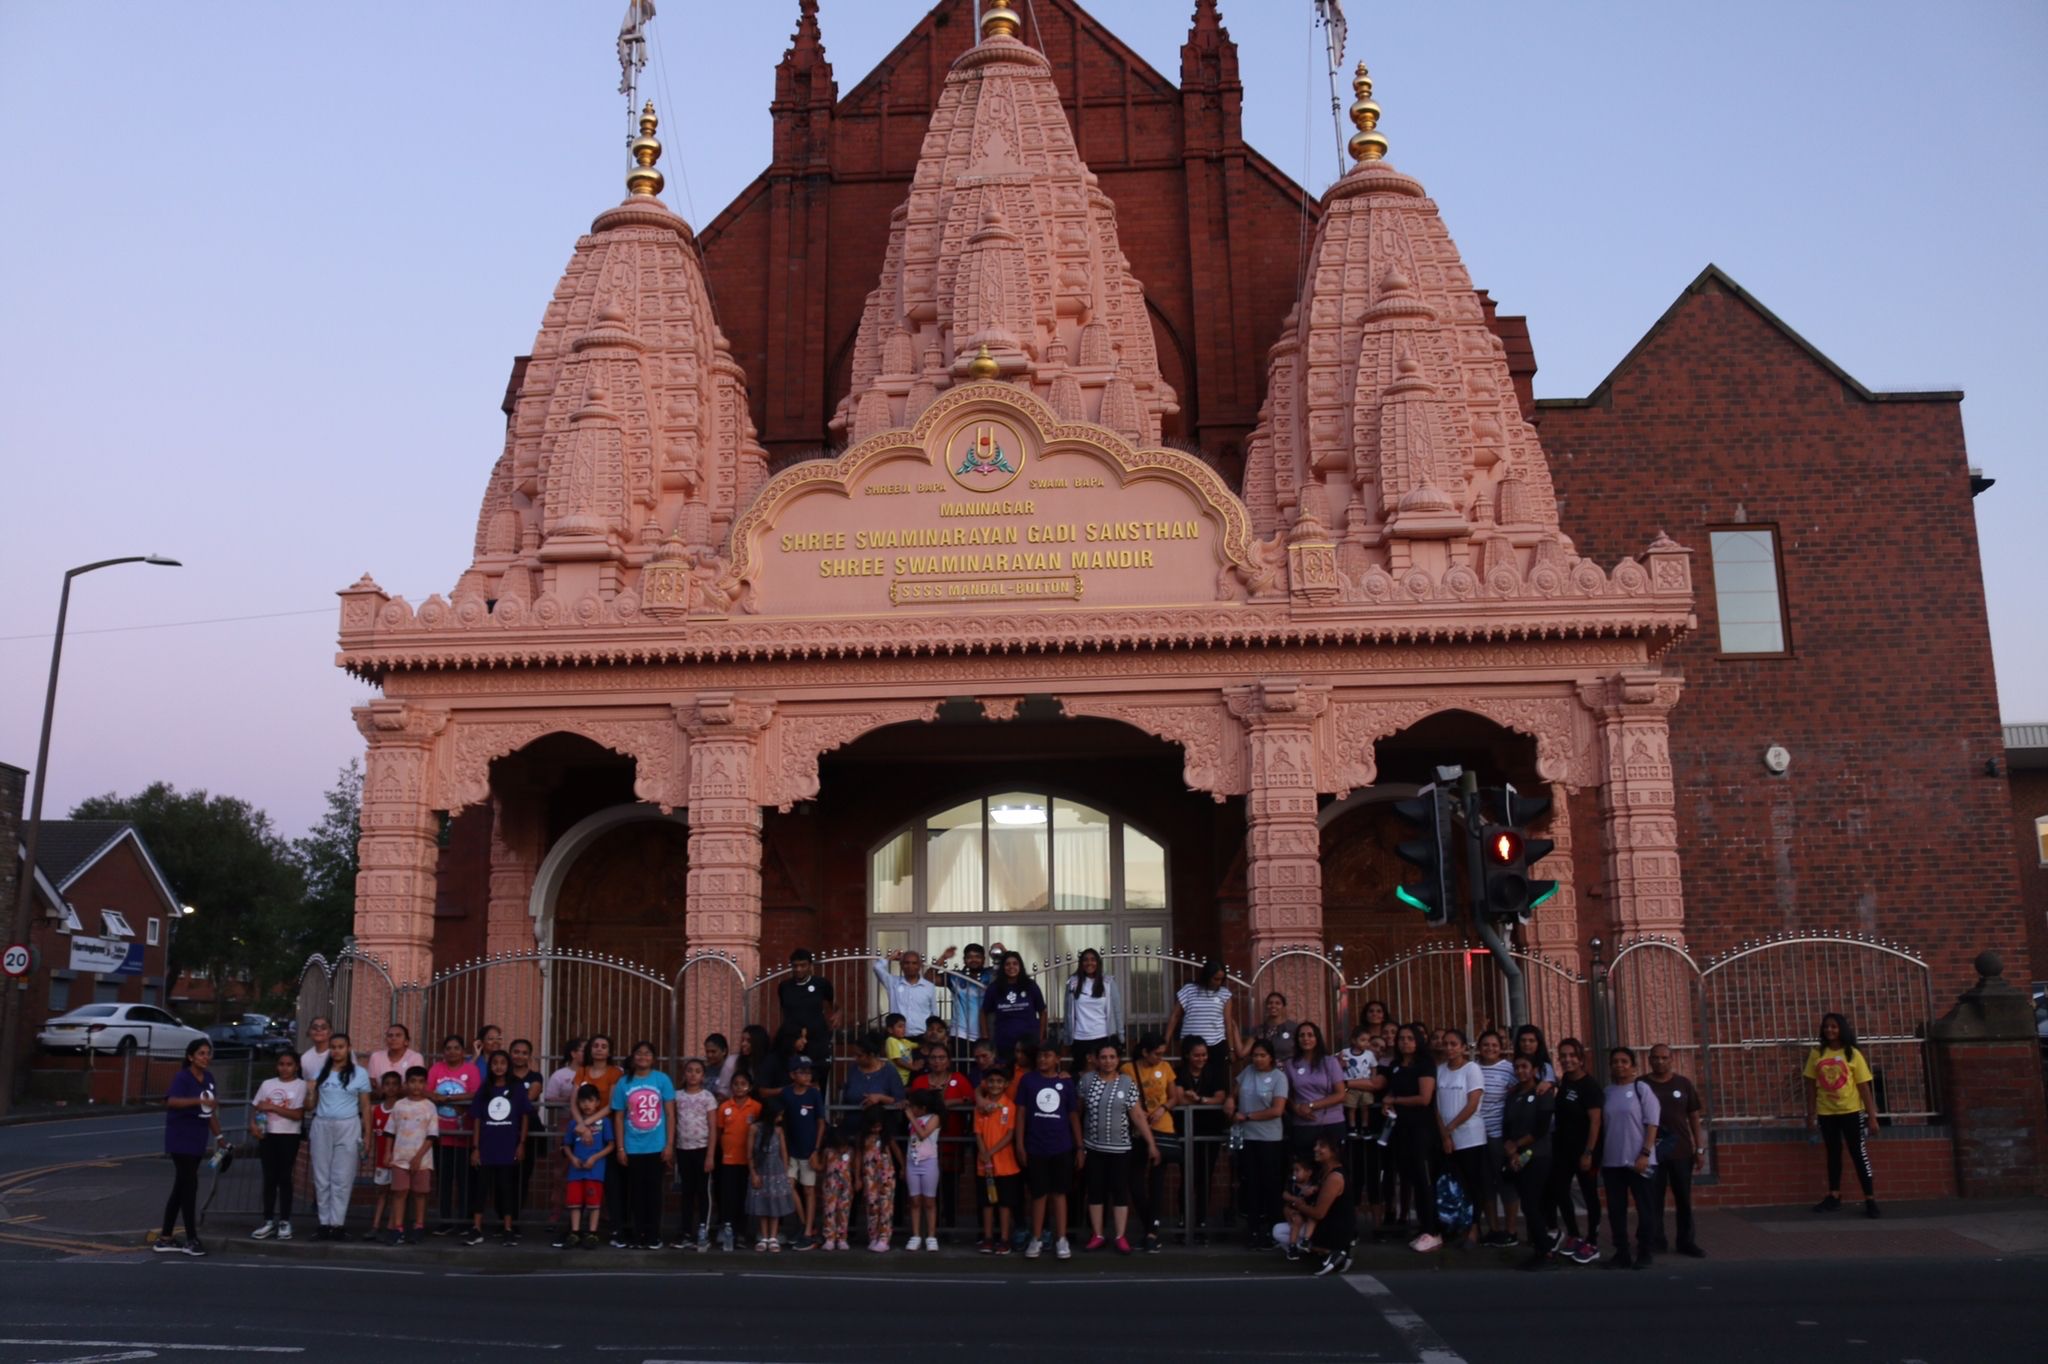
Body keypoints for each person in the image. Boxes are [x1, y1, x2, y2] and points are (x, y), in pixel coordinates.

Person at [1077, 1040, 1159, 1254]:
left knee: (1120, 1192)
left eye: (1112, 1057)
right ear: (1096, 1059)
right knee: (1095, 1192)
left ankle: (1120, 1236)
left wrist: (1151, 1143)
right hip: (1093, 1147)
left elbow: (1138, 1115)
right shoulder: (1086, 1081)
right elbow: (1077, 1112)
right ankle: (1098, 1234)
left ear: (1118, 1059)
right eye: (1103, 1057)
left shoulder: (1126, 1082)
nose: (1108, 1061)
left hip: (1121, 1149)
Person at [1805, 1011, 1881, 1218]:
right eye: (1826, 1027)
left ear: (1842, 1029)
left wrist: (1872, 1116)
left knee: (1858, 1153)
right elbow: (1811, 1086)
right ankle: (1834, 1195)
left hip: (1851, 1111)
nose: (1829, 1030)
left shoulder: (1853, 1054)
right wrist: (1811, 1114)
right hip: (1826, 1112)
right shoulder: (1816, 1053)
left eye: (1834, 1027)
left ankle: (1870, 1199)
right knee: (1833, 1153)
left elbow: (1864, 1087)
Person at [1014, 1041, 1079, 1259]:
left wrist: (1079, 1146)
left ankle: (1061, 1238)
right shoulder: (1028, 1080)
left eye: (1048, 1056)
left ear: (1057, 1059)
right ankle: (1037, 1237)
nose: (1043, 1060)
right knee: (1038, 1195)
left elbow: (1072, 1115)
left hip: (1061, 1146)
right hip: (1035, 1146)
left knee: (1060, 1194)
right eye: (1040, 1056)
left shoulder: (1066, 1083)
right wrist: (1020, 1144)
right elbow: (1021, 1113)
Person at [306, 1031, 373, 1241]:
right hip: (322, 1124)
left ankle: (338, 1224)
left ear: (348, 1048)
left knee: (342, 1177)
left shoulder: (359, 1074)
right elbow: (310, 1105)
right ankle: (324, 1223)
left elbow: (365, 1106)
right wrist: (310, 1091)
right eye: (333, 1047)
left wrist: (368, 1135)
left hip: (348, 1125)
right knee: (321, 1175)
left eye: (340, 1047)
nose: (336, 1051)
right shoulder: (321, 1073)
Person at [465, 1049, 536, 1246]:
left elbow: (524, 1117)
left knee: (506, 1189)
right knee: (481, 1189)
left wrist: (521, 1144)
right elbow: (477, 1119)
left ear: (508, 1065)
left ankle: (508, 1229)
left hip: (508, 1147)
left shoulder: (518, 1088)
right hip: (487, 1147)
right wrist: (476, 1147)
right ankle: (476, 1228)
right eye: (495, 1062)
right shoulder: (484, 1088)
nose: (498, 1066)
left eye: (502, 1062)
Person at [1382, 1023, 1442, 1251]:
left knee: (1425, 1179)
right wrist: (1388, 1101)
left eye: (1410, 1038)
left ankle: (1433, 1230)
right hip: (1401, 1128)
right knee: (1413, 1179)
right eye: (1401, 1038)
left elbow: (1424, 1098)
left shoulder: (1425, 1065)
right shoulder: (1396, 1065)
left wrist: (1395, 1101)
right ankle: (1423, 1226)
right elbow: (1392, 1091)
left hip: (1421, 1129)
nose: (1405, 1042)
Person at [158, 1038, 221, 1256]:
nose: (206, 1057)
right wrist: (196, 1101)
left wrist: (220, 1137)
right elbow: (172, 1101)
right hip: (180, 1137)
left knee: (180, 1187)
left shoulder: (209, 1078)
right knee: (189, 1186)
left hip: (198, 1137)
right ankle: (191, 1238)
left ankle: (165, 1237)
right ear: (190, 1057)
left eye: (208, 1053)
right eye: (201, 1053)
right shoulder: (182, 1077)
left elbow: (209, 1111)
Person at [1599, 1046, 1661, 1269]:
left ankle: (1645, 1251)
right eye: (1615, 1061)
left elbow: (1652, 1123)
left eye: (1624, 1061)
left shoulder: (1641, 1089)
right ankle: (1622, 1252)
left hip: (1639, 1160)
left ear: (1633, 1066)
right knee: (1616, 1209)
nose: (1619, 1065)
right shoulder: (1606, 1093)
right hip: (1613, 1161)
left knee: (1645, 1208)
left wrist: (1645, 1153)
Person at [610, 1040, 675, 1248]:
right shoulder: (624, 1083)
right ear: (633, 1057)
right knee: (635, 1193)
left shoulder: (662, 1079)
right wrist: (620, 1147)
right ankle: (638, 1235)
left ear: (654, 1058)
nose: (643, 1057)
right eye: (639, 1053)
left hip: (656, 1146)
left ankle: (654, 1235)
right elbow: (618, 1117)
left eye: (647, 1053)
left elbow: (670, 1114)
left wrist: (669, 1145)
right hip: (633, 1146)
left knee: (654, 1193)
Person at [1227, 1037, 1290, 1249]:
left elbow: (1277, 1110)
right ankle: (1253, 1231)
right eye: (1255, 1055)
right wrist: (1230, 1100)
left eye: (1262, 1055)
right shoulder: (1247, 1072)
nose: (1258, 1059)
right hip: (1247, 1138)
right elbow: (1235, 1091)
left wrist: (1249, 1116)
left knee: (1270, 1186)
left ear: (1271, 1057)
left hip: (1269, 1139)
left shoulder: (1279, 1078)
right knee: (1250, 1184)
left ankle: (1273, 1230)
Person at [1546, 1037, 1603, 1264]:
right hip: (1563, 1150)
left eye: (1572, 1055)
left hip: (1585, 1152)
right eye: (1563, 1055)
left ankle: (1592, 1240)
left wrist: (1588, 1152)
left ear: (1581, 1059)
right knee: (1560, 1190)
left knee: (1589, 1194)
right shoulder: (1565, 1083)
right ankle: (1574, 1234)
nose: (1567, 1060)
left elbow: (1595, 1121)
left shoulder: (1589, 1086)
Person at [1645, 1043, 1705, 1256]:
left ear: (1672, 1059)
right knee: (1653, 1199)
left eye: (1664, 1058)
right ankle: (1655, 1240)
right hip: (1653, 1153)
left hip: (1681, 1152)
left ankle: (1686, 1242)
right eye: (1656, 1058)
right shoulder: (1642, 1085)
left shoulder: (1683, 1084)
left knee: (1683, 1199)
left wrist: (1700, 1149)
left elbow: (1694, 1117)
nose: (1660, 1061)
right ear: (1649, 1060)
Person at [1120, 1033, 1178, 1252]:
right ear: (1145, 1052)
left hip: (1162, 1129)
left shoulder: (1165, 1068)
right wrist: (1139, 1113)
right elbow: (1126, 1098)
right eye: (1157, 1054)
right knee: (1135, 1183)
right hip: (1137, 1131)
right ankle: (1149, 1225)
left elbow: (1174, 1097)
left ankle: (1152, 1233)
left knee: (1157, 1183)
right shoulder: (1128, 1070)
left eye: (1163, 1053)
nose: (1160, 1058)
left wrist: (1163, 1108)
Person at [1433, 1028, 1488, 1251]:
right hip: (1447, 1138)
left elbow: (1472, 1103)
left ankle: (1474, 1227)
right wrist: (1444, 1134)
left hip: (1470, 1137)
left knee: (1474, 1184)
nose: (1449, 1048)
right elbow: (1436, 1105)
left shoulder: (1471, 1069)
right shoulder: (1440, 1071)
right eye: (1446, 1044)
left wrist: (1451, 1128)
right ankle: (1456, 1225)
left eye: (1454, 1044)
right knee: (1455, 1185)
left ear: (1464, 1047)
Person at [910, 1041, 973, 1233]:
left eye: (941, 1058)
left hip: (951, 1140)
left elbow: (970, 1099)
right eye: (934, 1058)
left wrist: (950, 1101)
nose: (937, 1062)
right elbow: (914, 1105)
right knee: (929, 1191)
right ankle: (931, 1230)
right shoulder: (920, 1081)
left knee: (950, 1186)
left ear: (949, 1060)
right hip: (925, 1144)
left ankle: (951, 1229)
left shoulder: (959, 1079)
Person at [1501, 1054, 1556, 1270]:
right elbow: (1507, 1125)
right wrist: (1510, 1149)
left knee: (1532, 1204)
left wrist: (1517, 1145)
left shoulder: (1543, 1093)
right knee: (1527, 1203)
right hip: (1518, 1157)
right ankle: (1541, 1248)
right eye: (1517, 1067)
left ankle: (1545, 1249)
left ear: (1534, 1070)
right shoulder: (1513, 1095)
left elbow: (1541, 1128)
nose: (1521, 1071)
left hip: (1538, 1155)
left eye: (1525, 1067)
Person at [426, 1033, 482, 1235]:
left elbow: (476, 1093)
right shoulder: (436, 1068)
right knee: (444, 1180)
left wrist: (450, 1099)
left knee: (465, 1181)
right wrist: (435, 1096)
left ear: (463, 1051)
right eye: (448, 1048)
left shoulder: (471, 1069)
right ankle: (445, 1220)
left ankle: (465, 1221)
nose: (452, 1052)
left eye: (456, 1048)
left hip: (464, 1135)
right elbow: (427, 1090)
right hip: (441, 1135)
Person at [248, 1049, 307, 1241]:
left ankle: (285, 1220)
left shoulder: (300, 1086)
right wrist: (254, 1124)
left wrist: (273, 1107)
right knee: (269, 1178)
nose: (284, 1068)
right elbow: (257, 1107)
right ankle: (268, 1220)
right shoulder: (267, 1084)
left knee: (284, 1177)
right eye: (281, 1064)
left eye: (289, 1064)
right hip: (268, 1134)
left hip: (288, 1135)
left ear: (296, 1067)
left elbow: (297, 1114)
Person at [1175, 1035, 1229, 1239]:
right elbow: (1178, 1097)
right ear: (1188, 1055)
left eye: (1204, 1054)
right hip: (1185, 1131)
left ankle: (1201, 1222)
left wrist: (1199, 1100)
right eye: (1197, 1055)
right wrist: (1194, 1100)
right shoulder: (1180, 1073)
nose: (1201, 1058)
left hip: (1209, 1131)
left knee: (1205, 1177)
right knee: (1186, 1177)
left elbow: (1221, 1097)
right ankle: (1183, 1221)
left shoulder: (1214, 1072)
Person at [575, 1036, 627, 1245]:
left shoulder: (615, 1073)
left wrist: (588, 1123)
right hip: (581, 1135)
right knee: (580, 1180)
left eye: (604, 1046)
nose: (599, 1049)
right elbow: (573, 1102)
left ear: (609, 1051)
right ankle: (577, 1229)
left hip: (606, 1131)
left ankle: (615, 1228)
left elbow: (612, 1105)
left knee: (612, 1183)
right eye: (595, 1046)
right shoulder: (582, 1071)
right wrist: (581, 1126)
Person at [1288, 1132, 1356, 1276]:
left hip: (1334, 1228)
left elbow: (1319, 1212)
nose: (1316, 1149)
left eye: (1322, 1146)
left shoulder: (1334, 1177)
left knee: (1281, 1232)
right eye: (1316, 1145)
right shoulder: (1325, 1172)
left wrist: (1298, 1205)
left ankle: (1331, 1251)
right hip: (1327, 1224)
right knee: (1282, 1229)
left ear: (1334, 1151)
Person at [556, 1083, 612, 1249]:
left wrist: (595, 1158)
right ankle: (575, 1232)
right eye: (583, 1101)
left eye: (591, 1100)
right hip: (576, 1170)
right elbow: (566, 1144)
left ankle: (593, 1233)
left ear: (597, 1102)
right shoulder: (574, 1124)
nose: (587, 1105)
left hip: (595, 1170)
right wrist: (572, 1158)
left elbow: (610, 1145)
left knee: (594, 1203)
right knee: (574, 1203)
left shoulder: (604, 1122)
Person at [972, 1066, 1021, 1254]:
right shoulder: (980, 1107)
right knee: (986, 1203)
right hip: (984, 1165)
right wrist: (983, 1154)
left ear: (1006, 1084)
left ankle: (1004, 1239)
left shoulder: (1010, 1106)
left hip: (1005, 1165)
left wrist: (990, 1152)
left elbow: (1009, 1135)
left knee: (1004, 1204)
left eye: (999, 1081)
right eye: (991, 1081)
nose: (995, 1085)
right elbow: (977, 1133)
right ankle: (988, 1238)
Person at [1476, 1030, 1518, 1246]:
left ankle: (1510, 1230)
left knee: (1504, 1183)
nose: (1490, 1048)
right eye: (1485, 1044)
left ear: (1500, 1047)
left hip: (1498, 1135)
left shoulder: (1509, 1069)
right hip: (1476, 1135)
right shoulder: (1472, 1068)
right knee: (1485, 1184)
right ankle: (1493, 1228)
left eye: (1494, 1045)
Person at [672, 1056, 719, 1249]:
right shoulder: (677, 1096)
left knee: (703, 1192)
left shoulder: (708, 1097)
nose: (693, 1074)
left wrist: (710, 1155)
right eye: (689, 1070)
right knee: (687, 1192)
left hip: (702, 1150)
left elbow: (713, 1128)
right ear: (684, 1073)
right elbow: (673, 1123)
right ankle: (685, 1233)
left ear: (703, 1076)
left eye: (698, 1071)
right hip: (683, 1149)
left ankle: (703, 1231)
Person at [387, 1066, 438, 1244]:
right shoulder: (399, 1105)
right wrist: (388, 1153)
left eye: (420, 1082)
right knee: (399, 1192)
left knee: (420, 1193)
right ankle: (398, 1228)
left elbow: (432, 1136)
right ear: (406, 1084)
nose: (416, 1086)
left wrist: (418, 1157)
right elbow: (390, 1131)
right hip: (400, 1157)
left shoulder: (430, 1107)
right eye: (413, 1081)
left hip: (422, 1159)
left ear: (425, 1084)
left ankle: (419, 1226)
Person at [1283, 1020, 1347, 1159]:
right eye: (1302, 1035)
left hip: (1331, 1123)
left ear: (1317, 1038)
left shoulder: (1330, 1062)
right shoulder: (1290, 1064)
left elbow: (1341, 1094)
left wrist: (1311, 1106)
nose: (1306, 1038)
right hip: (1303, 1125)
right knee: (1305, 1168)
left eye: (1310, 1035)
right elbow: (1286, 1095)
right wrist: (1297, 1109)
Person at [714, 1071, 763, 1251]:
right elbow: (719, 1131)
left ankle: (741, 1233)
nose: (739, 1087)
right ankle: (727, 1230)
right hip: (728, 1159)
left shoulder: (756, 1107)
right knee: (728, 1197)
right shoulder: (724, 1107)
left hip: (748, 1161)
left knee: (744, 1198)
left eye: (743, 1084)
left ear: (749, 1087)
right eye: (735, 1084)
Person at [781, 1057, 826, 1248]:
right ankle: (804, 1222)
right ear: (792, 1075)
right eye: (802, 1072)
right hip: (791, 1151)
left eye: (809, 1072)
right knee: (789, 1186)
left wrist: (816, 1149)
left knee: (809, 1190)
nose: (807, 1075)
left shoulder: (814, 1094)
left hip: (809, 1151)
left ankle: (808, 1231)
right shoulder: (786, 1094)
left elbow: (821, 1122)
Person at [1338, 1024, 1381, 1220]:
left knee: (1365, 1108)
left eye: (1368, 1041)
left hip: (1365, 1087)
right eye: (1363, 1040)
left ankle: (1364, 1127)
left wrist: (1372, 1081)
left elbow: (1374, 1070)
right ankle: (1354, 1127)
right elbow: (1336, 1063)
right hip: (1350, 1088)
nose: (1366, 1044)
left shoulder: (1370, 1055)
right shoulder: (1345, 1053)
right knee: (1352, 1108)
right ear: (1354, 1041)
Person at [777, 948, 839, 1080]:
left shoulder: (821, 984)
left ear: (810, 966)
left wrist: (838, 1014)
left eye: (803, 965)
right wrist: (792, 1037)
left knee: (818, 1079)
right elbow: (784, 1012)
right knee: (793, 1079)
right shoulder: (784, 986)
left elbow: (835, 1005)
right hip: (793, 1040)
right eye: (795, 966)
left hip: (817, 1040)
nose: (798, 969)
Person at [747, 1099, 797, 1252]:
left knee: (775, 1205)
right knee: (762, 1204)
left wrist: (787, 1173)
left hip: (776, 1172)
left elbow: (784, 1153)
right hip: (761, 1171)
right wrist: (753, 1173)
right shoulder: (754, 1129)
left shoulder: (778, 1131)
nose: (780, 1119)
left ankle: (773, 1237)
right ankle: (764, 1236)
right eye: (778, 1116)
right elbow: (749, 1154)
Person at [1064, 948, 1125, 1072]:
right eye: (1085, 960)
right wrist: (1067, 1037)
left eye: (1093, 960)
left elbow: (1117, 1011)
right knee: (1081, 1074)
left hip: (1102, 1036)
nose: (1089, 963)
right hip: (1080, 1038)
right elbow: (1067, 1013)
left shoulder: (1108, 982)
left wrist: (1121, 1036)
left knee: (1105, 1073)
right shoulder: (1072, 983)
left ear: (1098, 962)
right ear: (1081, 963)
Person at [841, 1031, 906, 1146]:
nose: (855, 1058)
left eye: (859, 1055)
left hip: (879, 1135)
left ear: (871, 1055)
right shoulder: (854, 1070)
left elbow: (900, 1100)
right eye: (854, 1054)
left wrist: (880, 1098)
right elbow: (846, 1094)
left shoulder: (889, 1071)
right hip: (853, 1132)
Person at [873, 947, 952, 1038]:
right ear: (901, 965)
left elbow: (933, 1012)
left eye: (914, 963)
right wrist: (891, 956)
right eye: (906, 963)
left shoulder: (928, 986)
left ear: (920, 966)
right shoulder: (893, 982)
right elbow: (877, 967)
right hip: (898, 1037)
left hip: (922, 1036)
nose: (910, 966)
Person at [903, 1088, 945, 1252]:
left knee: (929, 1201)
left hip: (928, 1162)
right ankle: (915, 1235)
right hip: (912, 1161)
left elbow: (923, 1134)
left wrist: (911, 1117)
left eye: (914, 1106)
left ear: (923, 1108)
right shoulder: (914, 1115)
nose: (911, 1109)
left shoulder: (934, 1118)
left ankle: (931, 1236)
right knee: (914, 1201)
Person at [984, 951, 1047, 1057]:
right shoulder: (994, 988)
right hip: (1004, 1042)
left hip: (1029, 1042)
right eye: (1007, 964)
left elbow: (1042, 1011)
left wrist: (1040, 1037)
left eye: (1015, 963)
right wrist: (986, 1037)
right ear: (1002, 967)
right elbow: (983, 1012)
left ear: (1020, 966)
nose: (1011, 967)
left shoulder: (1030, 986)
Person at [1167, 962, 1233, 1059]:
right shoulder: (1189, 990)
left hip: (1216, 1043)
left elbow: (1227, 1022)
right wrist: (1166, 1040)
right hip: (1190, 1044)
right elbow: (1175, 1016)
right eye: (1216, 979)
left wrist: (1231, 1049)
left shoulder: (1224, 994)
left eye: (1221, 979)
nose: (1218, 982)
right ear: (1207, 976)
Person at [365, 1069, 402, 1241]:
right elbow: (372, 1135)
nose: (391, 1088)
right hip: (381, 1160)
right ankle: (375, 1225)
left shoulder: (402, 1108)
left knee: (397, 1193)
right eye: (387, 1084)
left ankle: (391, 1227)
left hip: (398, 1160)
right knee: (382, 1193)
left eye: (395, 1084)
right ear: (382, 1087)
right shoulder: (377, 1110)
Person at [944, 941, 998, 1053]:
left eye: (977, 956)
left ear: (984, 959)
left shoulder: (992, 974)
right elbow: (929, 978)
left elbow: (1014, 969)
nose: (974, 960)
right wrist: (943, 957)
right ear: (964, 959)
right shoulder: (956, 977)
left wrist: (1001, 951)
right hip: (961, 1033)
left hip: (987, 1032)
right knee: (962, 1068)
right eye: (969, 957)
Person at [859, 1114, 899, 1253]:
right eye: (874, 1126)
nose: (877, 1129)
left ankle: (884, 1238)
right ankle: (873, 1237)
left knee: (886, 1207)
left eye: (879, 1126)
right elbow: (858, 1156)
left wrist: (903, 1167)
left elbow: (896, 1151)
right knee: (872, 1205)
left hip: (886, 1175)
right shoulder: (863, 1138)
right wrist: (857, 1177)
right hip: (870, 1176)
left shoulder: (886, 1138)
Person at [814, 1122, 856, 1251]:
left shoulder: (851, 1151)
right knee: (829, 1211)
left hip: (846, 1186)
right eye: (839, 1146)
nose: (841, 1149)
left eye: (843, 1146)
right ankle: (829, 1238)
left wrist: (855, 1181)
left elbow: (853, 1168)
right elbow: (822, 1167)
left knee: (843, 1212)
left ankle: (842, 1238)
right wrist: (814, 1163)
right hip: (830, 1186)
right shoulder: (828, 1151)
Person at [1277, 1151, 1321, 1260]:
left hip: (1309, 1214)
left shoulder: (1312, 1184)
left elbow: (1319, 1188)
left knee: (1312, 1218)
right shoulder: (1292, 1184)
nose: (1294, 1174)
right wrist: (1294, 1199)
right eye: (1293, 1171)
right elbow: (1285, 1194)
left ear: (1309, 1172)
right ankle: (1292, 1247)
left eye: (1298, 1170)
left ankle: (1306, 1241)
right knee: (1296, 1221)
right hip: (1297, 1214)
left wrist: (1313, 1189)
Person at [1242, 992, 1299, 1065]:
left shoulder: (1293, 1028)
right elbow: (1243, 1053)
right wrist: (1233, 1029)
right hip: (1264, 1072)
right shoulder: (1259, 1030)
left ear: (1283, 1007)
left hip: (1288, 1072)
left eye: (1277, 1003)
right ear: (1266, 1007)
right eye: (1270, 1003)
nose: (1273, 1005)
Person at [737, 1024, 786, 1103]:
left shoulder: (770, 1062)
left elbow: (763, 1091)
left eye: (748, 1041)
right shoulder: (742, 1062)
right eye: (742, 1040)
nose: (743, 1044)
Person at [883, 1013, 918, 1085]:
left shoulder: (905, 1041)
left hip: (905, 1078)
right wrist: (913, 1068)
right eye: (900, 1026)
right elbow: (898, 1060)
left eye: (904, 1026)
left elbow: (918, 1045)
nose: (903, 1029)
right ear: (890, 1029)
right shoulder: (891, 1040)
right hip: (896, 1078)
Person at [298, 1016, 333, 1083]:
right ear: (309, 1032)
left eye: (323, 1028)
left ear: (330, 1032)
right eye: (314, 1028)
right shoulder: (305, 1058)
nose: (319, 1030)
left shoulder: (342, 1053)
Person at [704, 1033, 736, 1099]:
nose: (709, 1055)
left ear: (724, 1051)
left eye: (713, 1052)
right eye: (707, 1052)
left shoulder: (731, 1070)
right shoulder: (703, 1070)